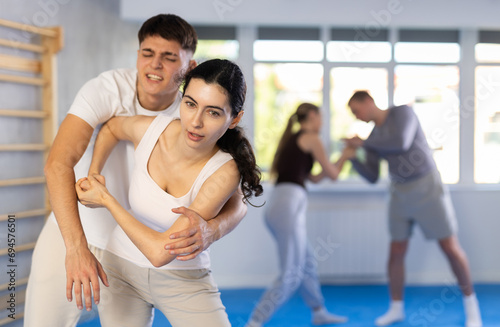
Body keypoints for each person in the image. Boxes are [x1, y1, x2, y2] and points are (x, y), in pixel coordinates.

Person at [24, 14, 247, 327]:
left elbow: (237, 199)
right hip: (77, 227)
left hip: (141, 244)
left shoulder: (197, 105)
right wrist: (77, 243)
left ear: (189, 67)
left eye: (169, 58)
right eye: (147, 54)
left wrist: (214, 229)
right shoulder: (108, 89)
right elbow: (58, 163)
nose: (155, 65)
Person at [75, 58, 262, 326]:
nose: (195, 122)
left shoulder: (225, 171)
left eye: (213, 112)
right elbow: (113, 128)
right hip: (121, 267)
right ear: (182, 100)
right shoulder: (154, 129)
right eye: (190, 104)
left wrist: (105, 198)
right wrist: (95, 172)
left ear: (235, 119)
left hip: (183, 279)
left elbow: (160, 253)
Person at [343, 90, 482, 327]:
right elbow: (373, 176)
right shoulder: (374, 136)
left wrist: (362, 142)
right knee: (396, 251)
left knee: (449, 247)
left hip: (426, 186)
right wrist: (353, 157)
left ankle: (472, 307)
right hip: (399, 192)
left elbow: (401, 142)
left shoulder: (402, 113)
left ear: (368, 101)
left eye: (357, 111)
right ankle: (396, 308)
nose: (358, 117)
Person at [245, 103, 353, 327]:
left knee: (307, 262)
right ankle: (255, 322)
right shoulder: (311, 138)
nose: (322, 122)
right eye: (321, 117)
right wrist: (345, 155)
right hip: (288, 206)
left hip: (283, 205)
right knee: (291, 274)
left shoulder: (294, 139)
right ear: (312, 116)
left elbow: (313, 178)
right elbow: (333, 174)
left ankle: (318, 311)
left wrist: (340, 158)